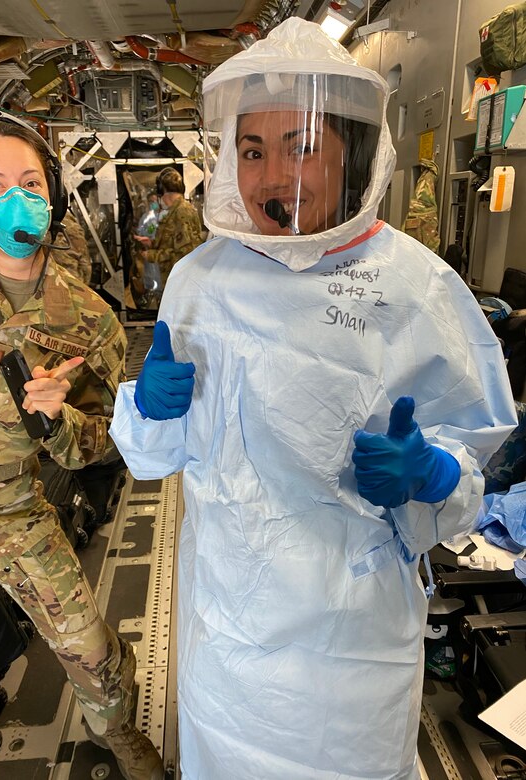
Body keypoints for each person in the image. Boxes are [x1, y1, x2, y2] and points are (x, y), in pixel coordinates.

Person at [110, 18, 516, 780]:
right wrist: (149, 410)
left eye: (300, 147)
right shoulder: (202, 281)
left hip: (350, 652)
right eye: (252, 151)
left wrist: (432, 475)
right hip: (227, 636)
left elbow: (467, 466)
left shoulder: (415, 288)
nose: (272, 178)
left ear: (351, 154)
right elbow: (157, 454)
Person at [0, 112, 163, 780]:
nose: (16, 196)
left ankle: (117, 734)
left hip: (9, 507)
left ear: (53, 195)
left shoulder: (89, 317)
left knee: (89, 647)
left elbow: (95, 447)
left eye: (30, 181)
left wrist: (55, 419)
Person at [137, 167, 202, 289]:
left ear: (162, 190)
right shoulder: (174, 211)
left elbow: (185, 254)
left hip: (180, 283)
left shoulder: (182, 212)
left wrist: (153, 255)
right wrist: (152, 243)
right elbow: (173, 242)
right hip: (174, 280)